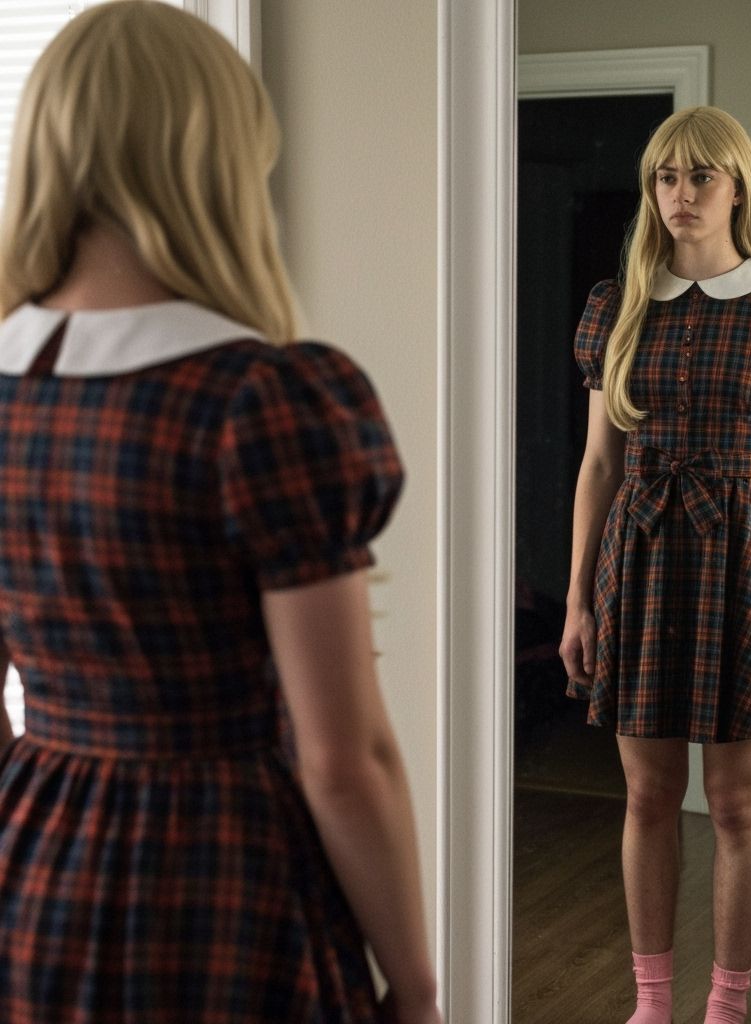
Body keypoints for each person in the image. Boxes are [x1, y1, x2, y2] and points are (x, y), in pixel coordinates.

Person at [0, 4, 441, 1022]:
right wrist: (416, 989)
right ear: (215, 156)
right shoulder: (264, 400)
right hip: (221, 876)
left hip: (31, 876)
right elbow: (344, 759)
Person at [558, 106, 751, 1024]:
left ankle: (727, 1005)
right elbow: (600, 464)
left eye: (700, 178)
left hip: (742, 561)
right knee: (647, 794)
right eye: (665, 178)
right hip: (636, 562)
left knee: (734, 803)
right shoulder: (617, 306)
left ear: (736, 186)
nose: (681, 196)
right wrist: (575, 601)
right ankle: (652, 1002)